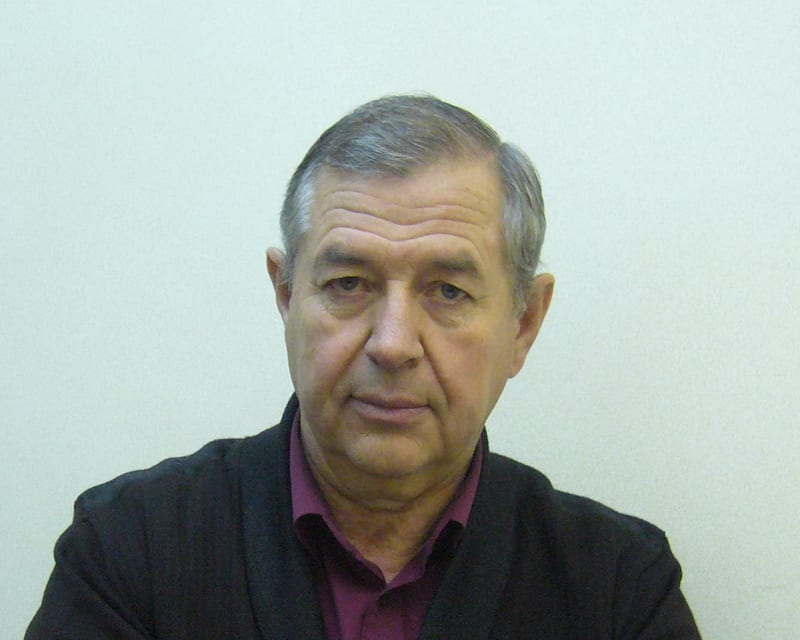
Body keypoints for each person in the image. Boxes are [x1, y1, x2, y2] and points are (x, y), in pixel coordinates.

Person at [26, 95, 701, 639]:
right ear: (286, 295)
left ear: (524, 322)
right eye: (348, 284)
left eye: (448, 291)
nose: (393, 344)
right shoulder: (130, 552)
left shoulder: (618, 588)